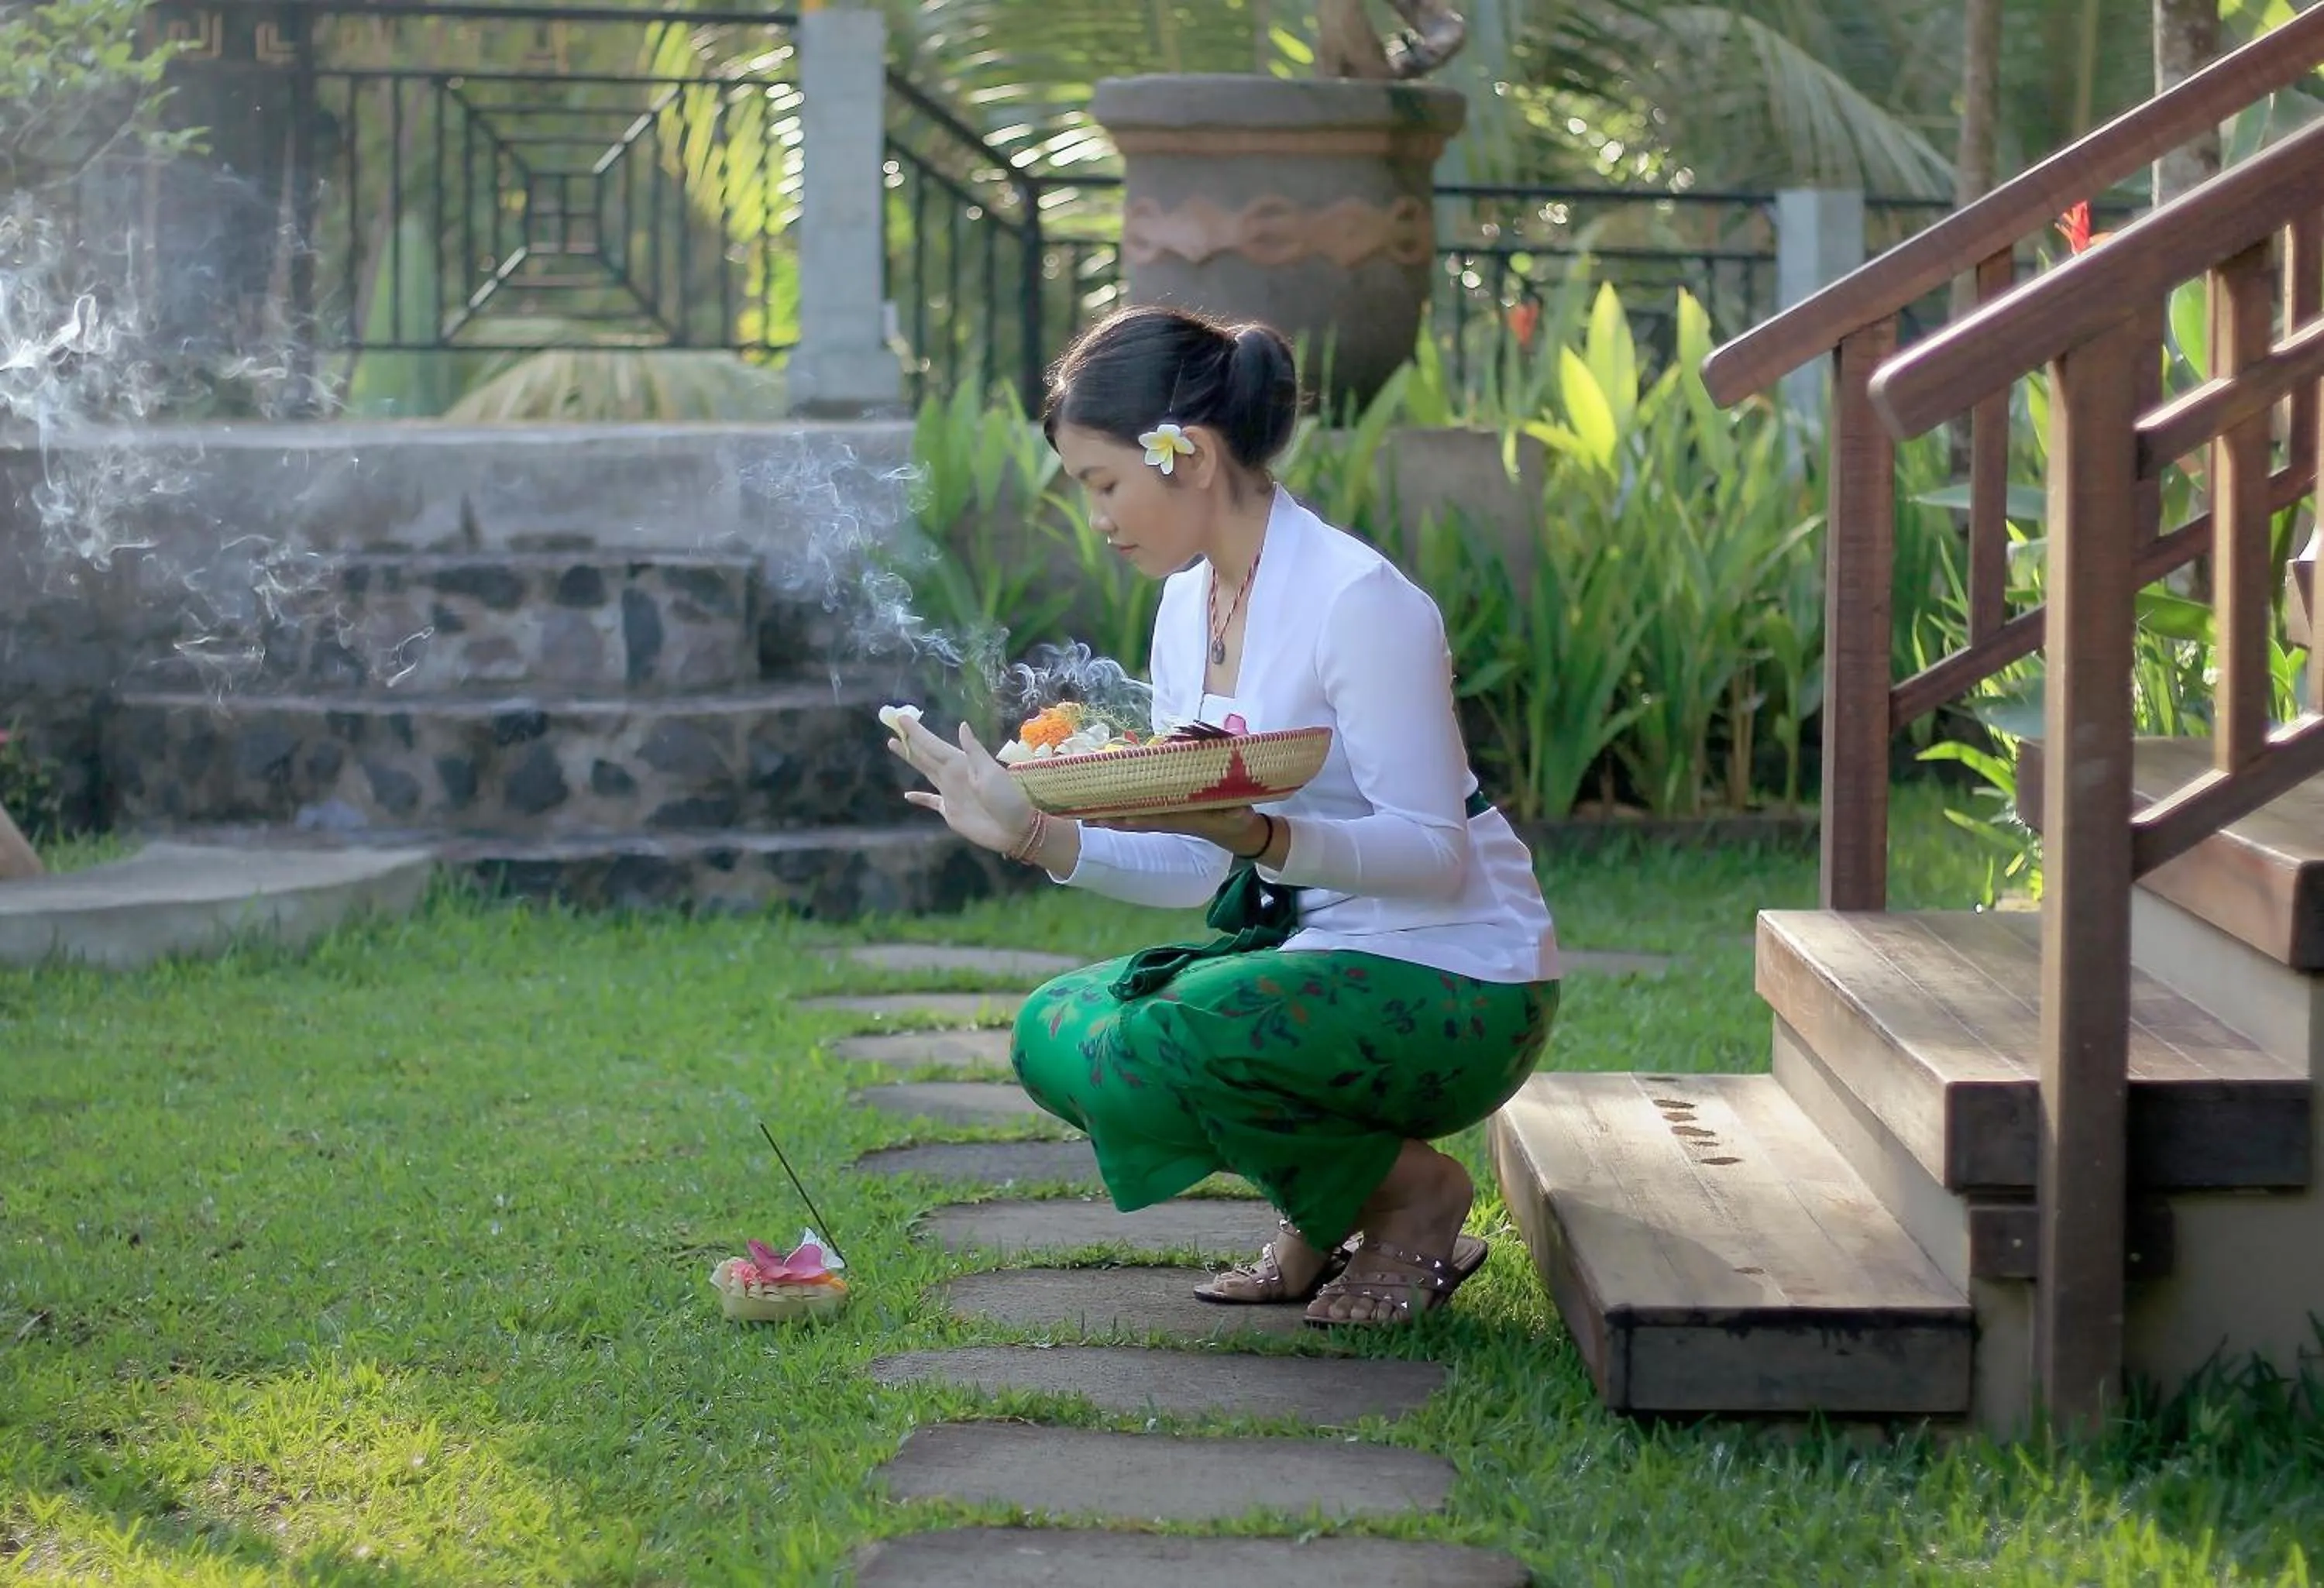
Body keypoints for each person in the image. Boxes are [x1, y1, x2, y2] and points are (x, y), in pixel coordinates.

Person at [885, 304, 1562, 1329]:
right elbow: (1200, 865)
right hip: (1312, 960)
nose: (1099, 517)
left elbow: (1432, 853)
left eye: (1104, 483)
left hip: (1462, 978)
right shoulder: (1186, 605)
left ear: (1189, 455)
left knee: (1168, 1036)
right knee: (1055, 1028)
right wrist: (1029, 831)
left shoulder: (1358, 602)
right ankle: (1332, 1198)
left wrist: (1266, 838)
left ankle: (1410, 1199)